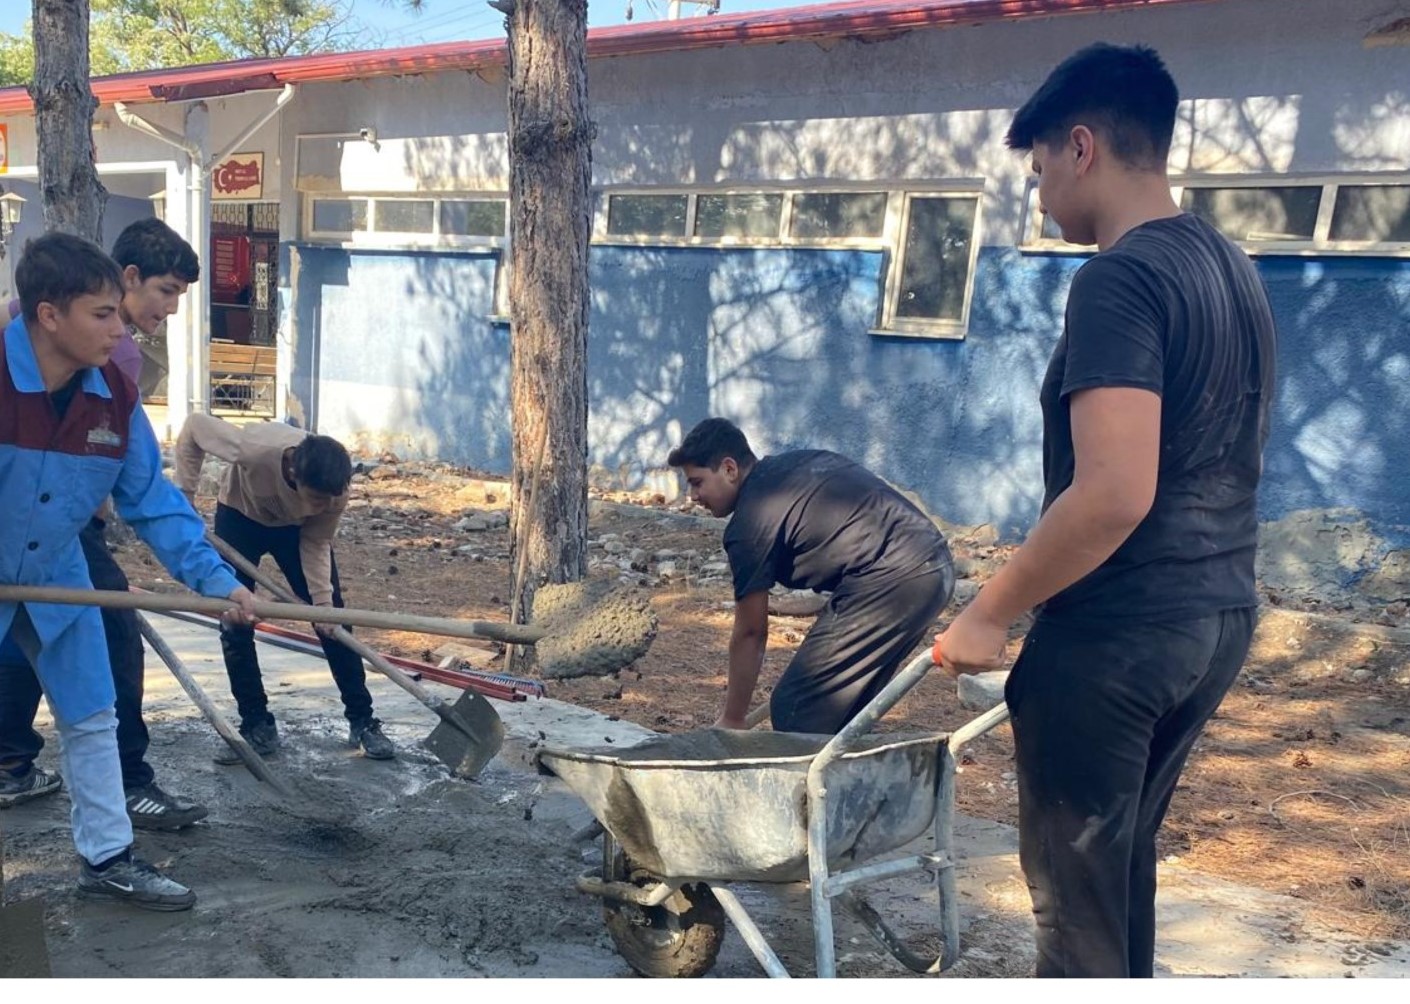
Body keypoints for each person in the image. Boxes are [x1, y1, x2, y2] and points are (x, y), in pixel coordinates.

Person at [932, 43, 1278, 978]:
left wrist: (989, 610)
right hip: (1214, 617)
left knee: (1074, 909)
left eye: (1039, 167)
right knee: (1119, 873)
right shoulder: (1230, 267)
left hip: (1118, 636)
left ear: (1080, 146)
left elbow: (1117, 492)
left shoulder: (1119, 278)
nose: (1039, 191)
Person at [0, 232, 257, 910]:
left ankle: (109, 857)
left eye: (120, 311)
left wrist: (216, 582)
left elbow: (152, 500)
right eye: (103, 314)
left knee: (91, 718)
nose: (122, 330)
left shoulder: (113, 392)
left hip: (57, 574)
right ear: (49, 315)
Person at [668, 418, 954, 734]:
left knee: (797, 710)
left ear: (729, 469)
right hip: (933, 566)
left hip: (895, 577)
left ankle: (816, 782)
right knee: (838, 711)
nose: (692, 495)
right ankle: (850, 777)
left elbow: (751, 632)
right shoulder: (795, 464)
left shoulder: (749, 525)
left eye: (696, 482)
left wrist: (733, 720)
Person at [174, 413, 395, 761]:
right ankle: (256, 725)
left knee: (334, 623)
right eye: (316, 498)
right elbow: (195, 427)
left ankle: (363, 721)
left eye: (327, 501)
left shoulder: (334, 489)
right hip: (241, 517)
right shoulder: (255, 449)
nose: (320, 506)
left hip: (296, 534)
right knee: (235, 621)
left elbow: (317, 543)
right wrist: (183, 497)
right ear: (293, 472)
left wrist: (322, 605)